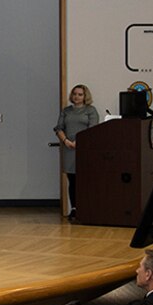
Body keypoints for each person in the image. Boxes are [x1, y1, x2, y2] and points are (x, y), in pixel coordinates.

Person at [53, 84, 99, 218]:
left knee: (84, 180)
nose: (76, 97)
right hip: (69, 149)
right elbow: (58, 128)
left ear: (85, 96)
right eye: (74, 94)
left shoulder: (91, 110)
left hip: (85, 149)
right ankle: (74, 208)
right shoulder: (66, 111)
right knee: (72, 180)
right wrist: (66, 141)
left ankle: (87, 208)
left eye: (80, 94)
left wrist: (80, 142)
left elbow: (93, 129)